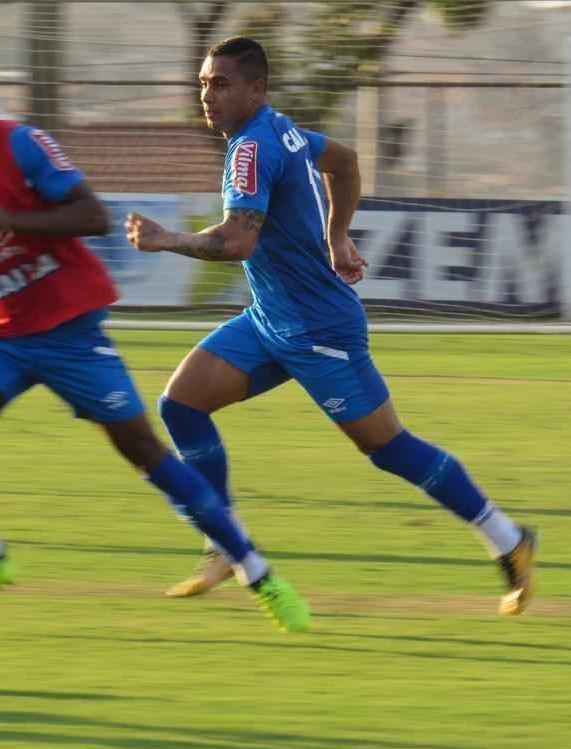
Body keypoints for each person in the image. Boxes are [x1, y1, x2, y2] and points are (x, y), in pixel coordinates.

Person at [0, 50, 309, 631]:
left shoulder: (22, 146)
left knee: (144, 452)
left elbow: (92, 215)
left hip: (69, 330)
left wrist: (9, 218)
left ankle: (255, 569)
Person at [125, 37, 537, 616]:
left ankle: (509, 540)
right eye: (202, 83)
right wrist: (336, 234)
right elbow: (342, 162)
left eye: (219, 84)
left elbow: (237, 240)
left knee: (388, 448)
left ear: (255, 89)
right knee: (182, 405)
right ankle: (222, 544)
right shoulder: (280, 129)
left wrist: (167, 239)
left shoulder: (250, 148)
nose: (206, 95)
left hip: (320, 329)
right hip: (272, 319)